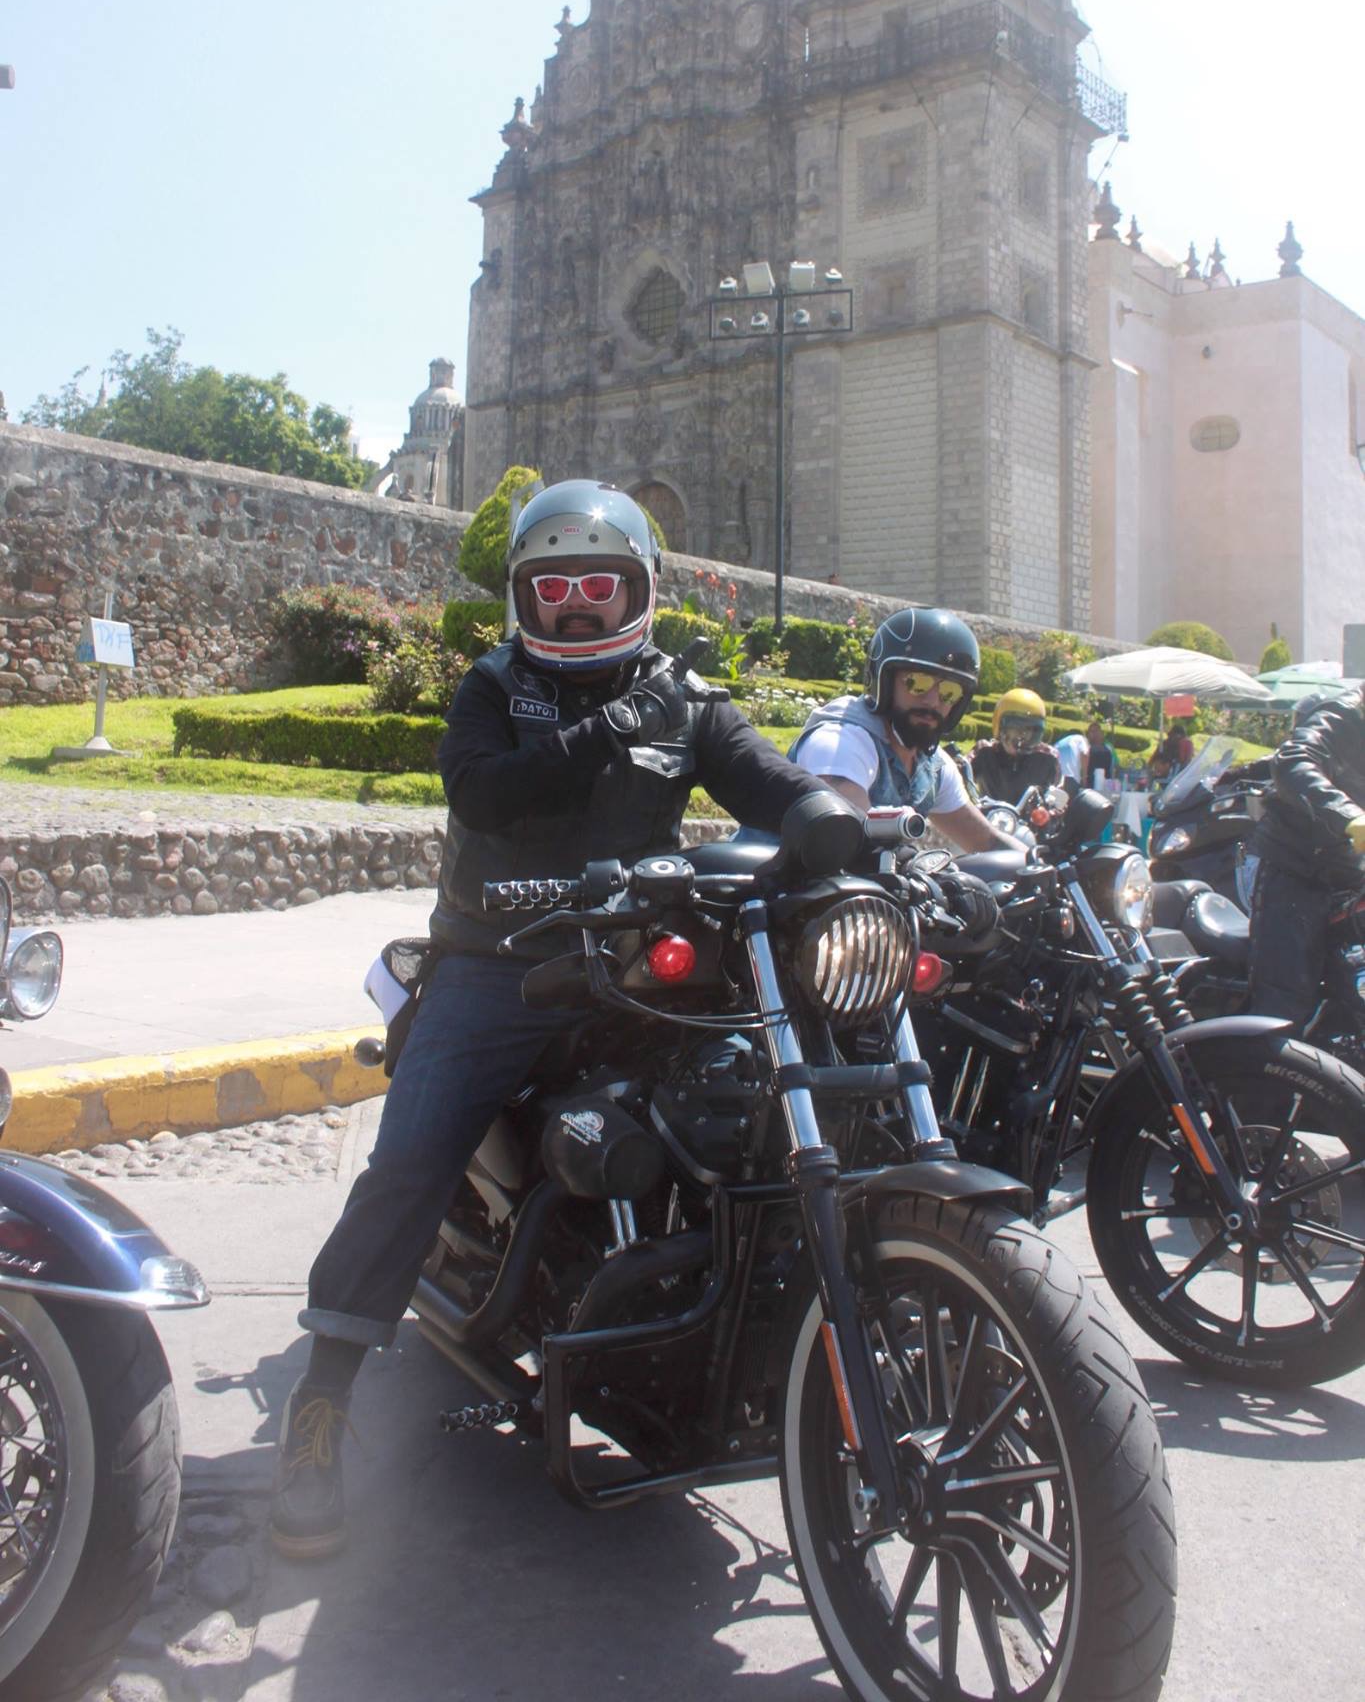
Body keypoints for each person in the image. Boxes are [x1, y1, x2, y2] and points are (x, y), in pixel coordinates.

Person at [270, 480, 835, 1559]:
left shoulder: (685, 695)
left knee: (768, 1106)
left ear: (639, 591)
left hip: (649, 970)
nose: (576, 604)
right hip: (504, 964)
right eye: (555, 585)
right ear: (527, 596)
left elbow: (768, 777)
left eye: (599, 584)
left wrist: (832, 820)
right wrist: (597, 733)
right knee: (414, 1154)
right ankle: (322, 1401)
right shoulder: (495, 686)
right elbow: (485, 794)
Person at [786, 607, 1018, 852]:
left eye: (950, 691)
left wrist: (1042, 868)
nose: (932, 700)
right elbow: (845, 829)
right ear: (885, 681)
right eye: (917, 683)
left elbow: (986, 841)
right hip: (774, 884)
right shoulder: (841, 741)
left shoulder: (933, 766)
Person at [1247, 686, 1365, 1021]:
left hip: (1349, 878)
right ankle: (1262, 1070)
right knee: (1284, 1007)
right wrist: (1351, 816)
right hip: (1299, 873)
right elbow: (1294, 760)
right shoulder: (1341, 714)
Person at [971, 688, 1062, 805]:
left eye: (1030, 730)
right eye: (1016, 728)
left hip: (1030, 820)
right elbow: (960, 770)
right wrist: (957, 765)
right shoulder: (984, 751)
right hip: (987, 816)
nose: (1023, 737)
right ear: (1000, 726)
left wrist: (1054, 809)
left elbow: (1058, 794)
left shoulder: (1048, 757)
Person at [1086, 719, 1117, 786]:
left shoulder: (1109, 748)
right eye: (1092, 731)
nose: (1094, 734)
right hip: (1088, 782)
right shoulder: (1085, 747)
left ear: (1101, 733)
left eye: (1096, 731)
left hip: (1106, 782)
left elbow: (1114, 766)